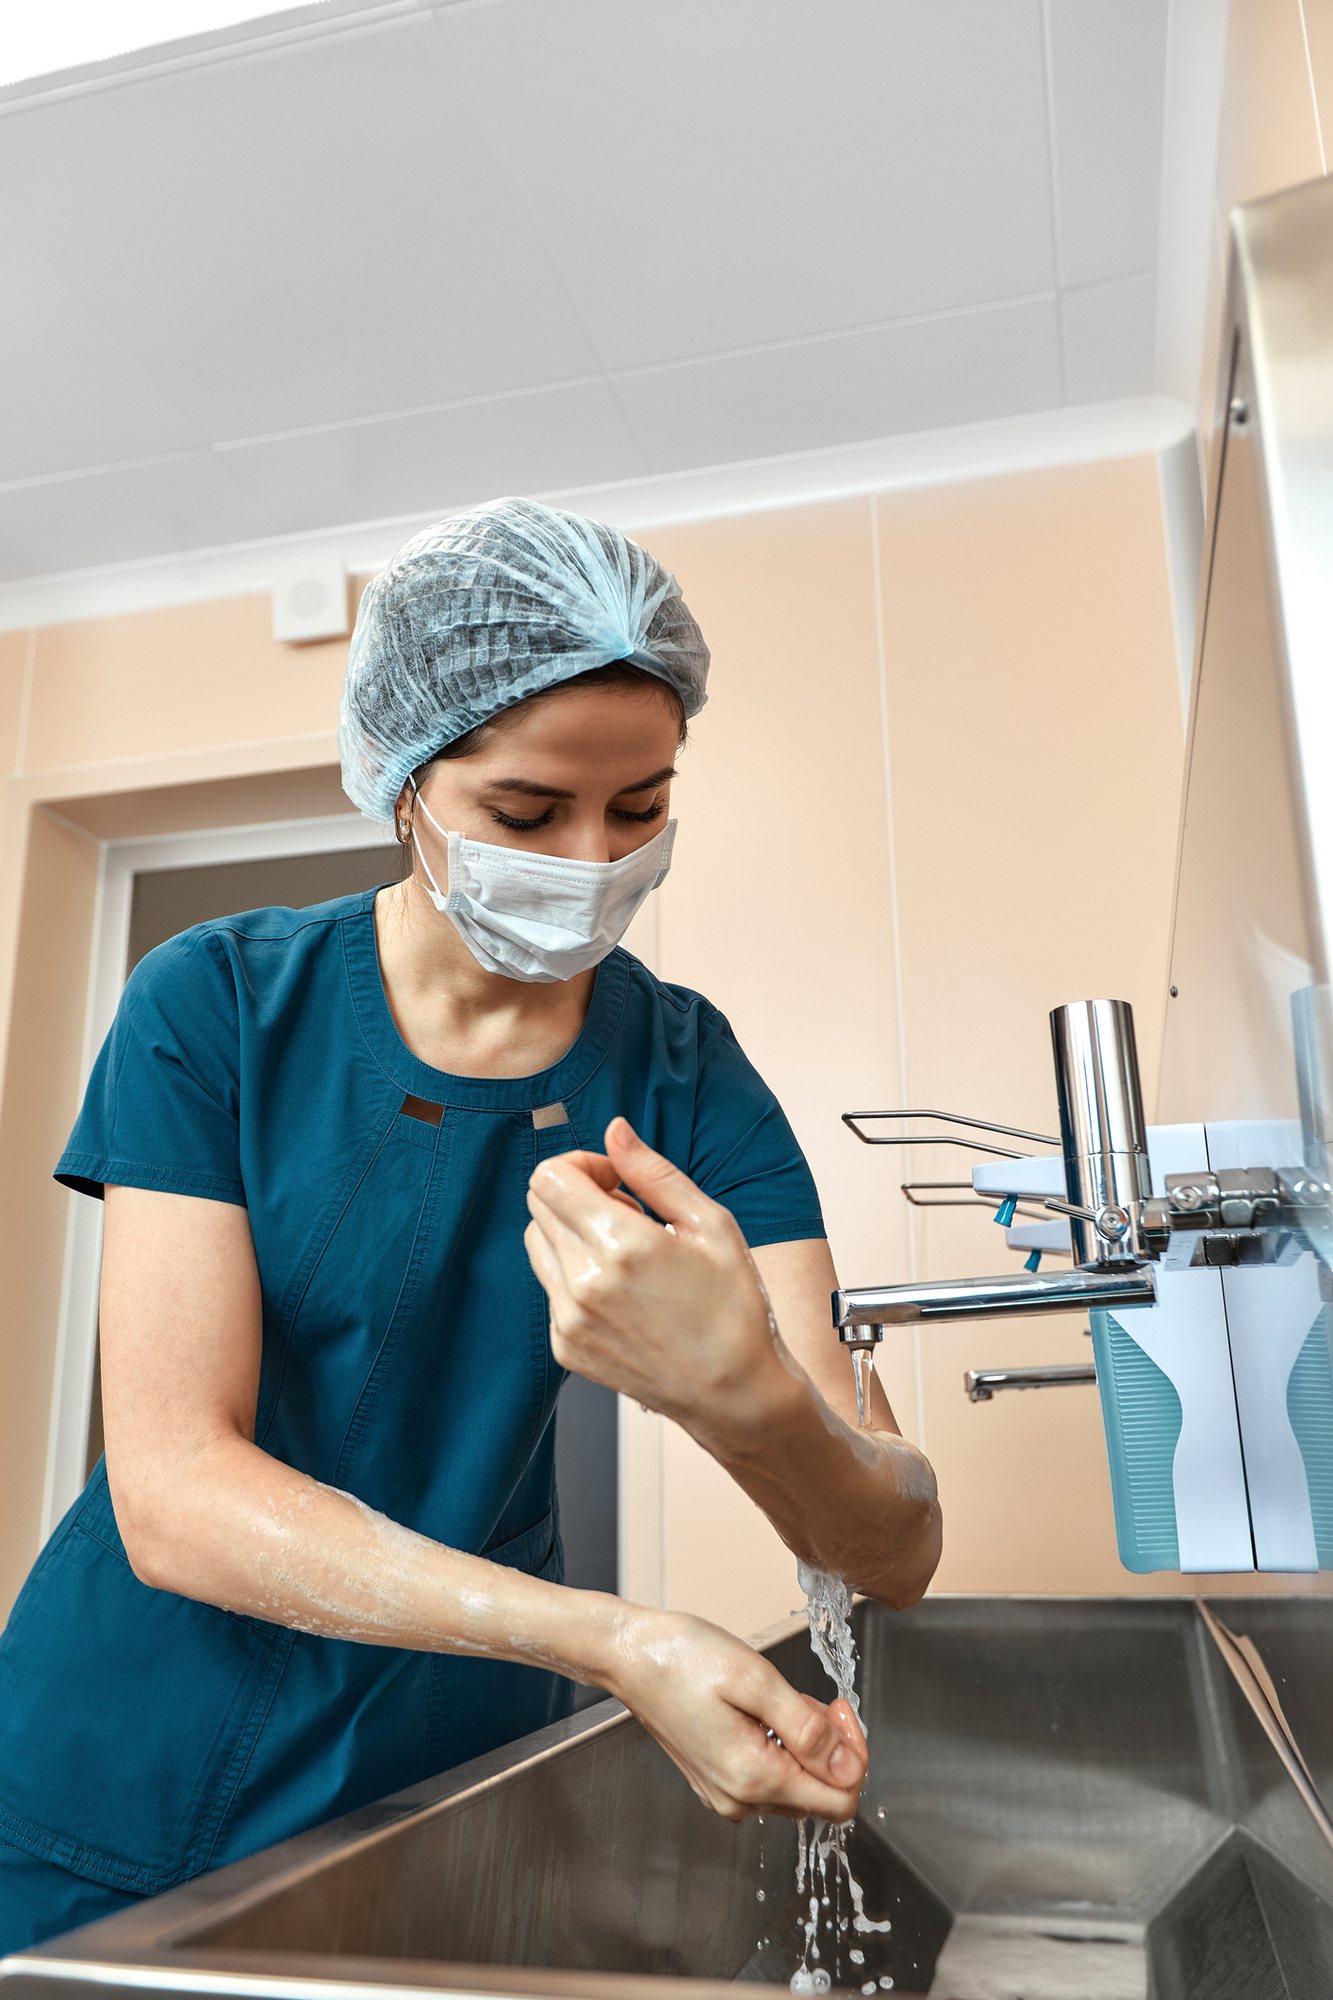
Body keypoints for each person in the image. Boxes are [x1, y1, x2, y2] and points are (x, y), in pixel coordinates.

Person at [0, 497, 941, 1955]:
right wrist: (612, 1639)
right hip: (116, 1766)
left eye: (638, 809)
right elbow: (174, 1492)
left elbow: (886, 1552)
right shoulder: (218, 1007)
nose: (587, 858)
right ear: (403, 780)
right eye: (523, 813)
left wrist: (748, 1398)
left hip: (439, 1789)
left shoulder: (683, 1073)